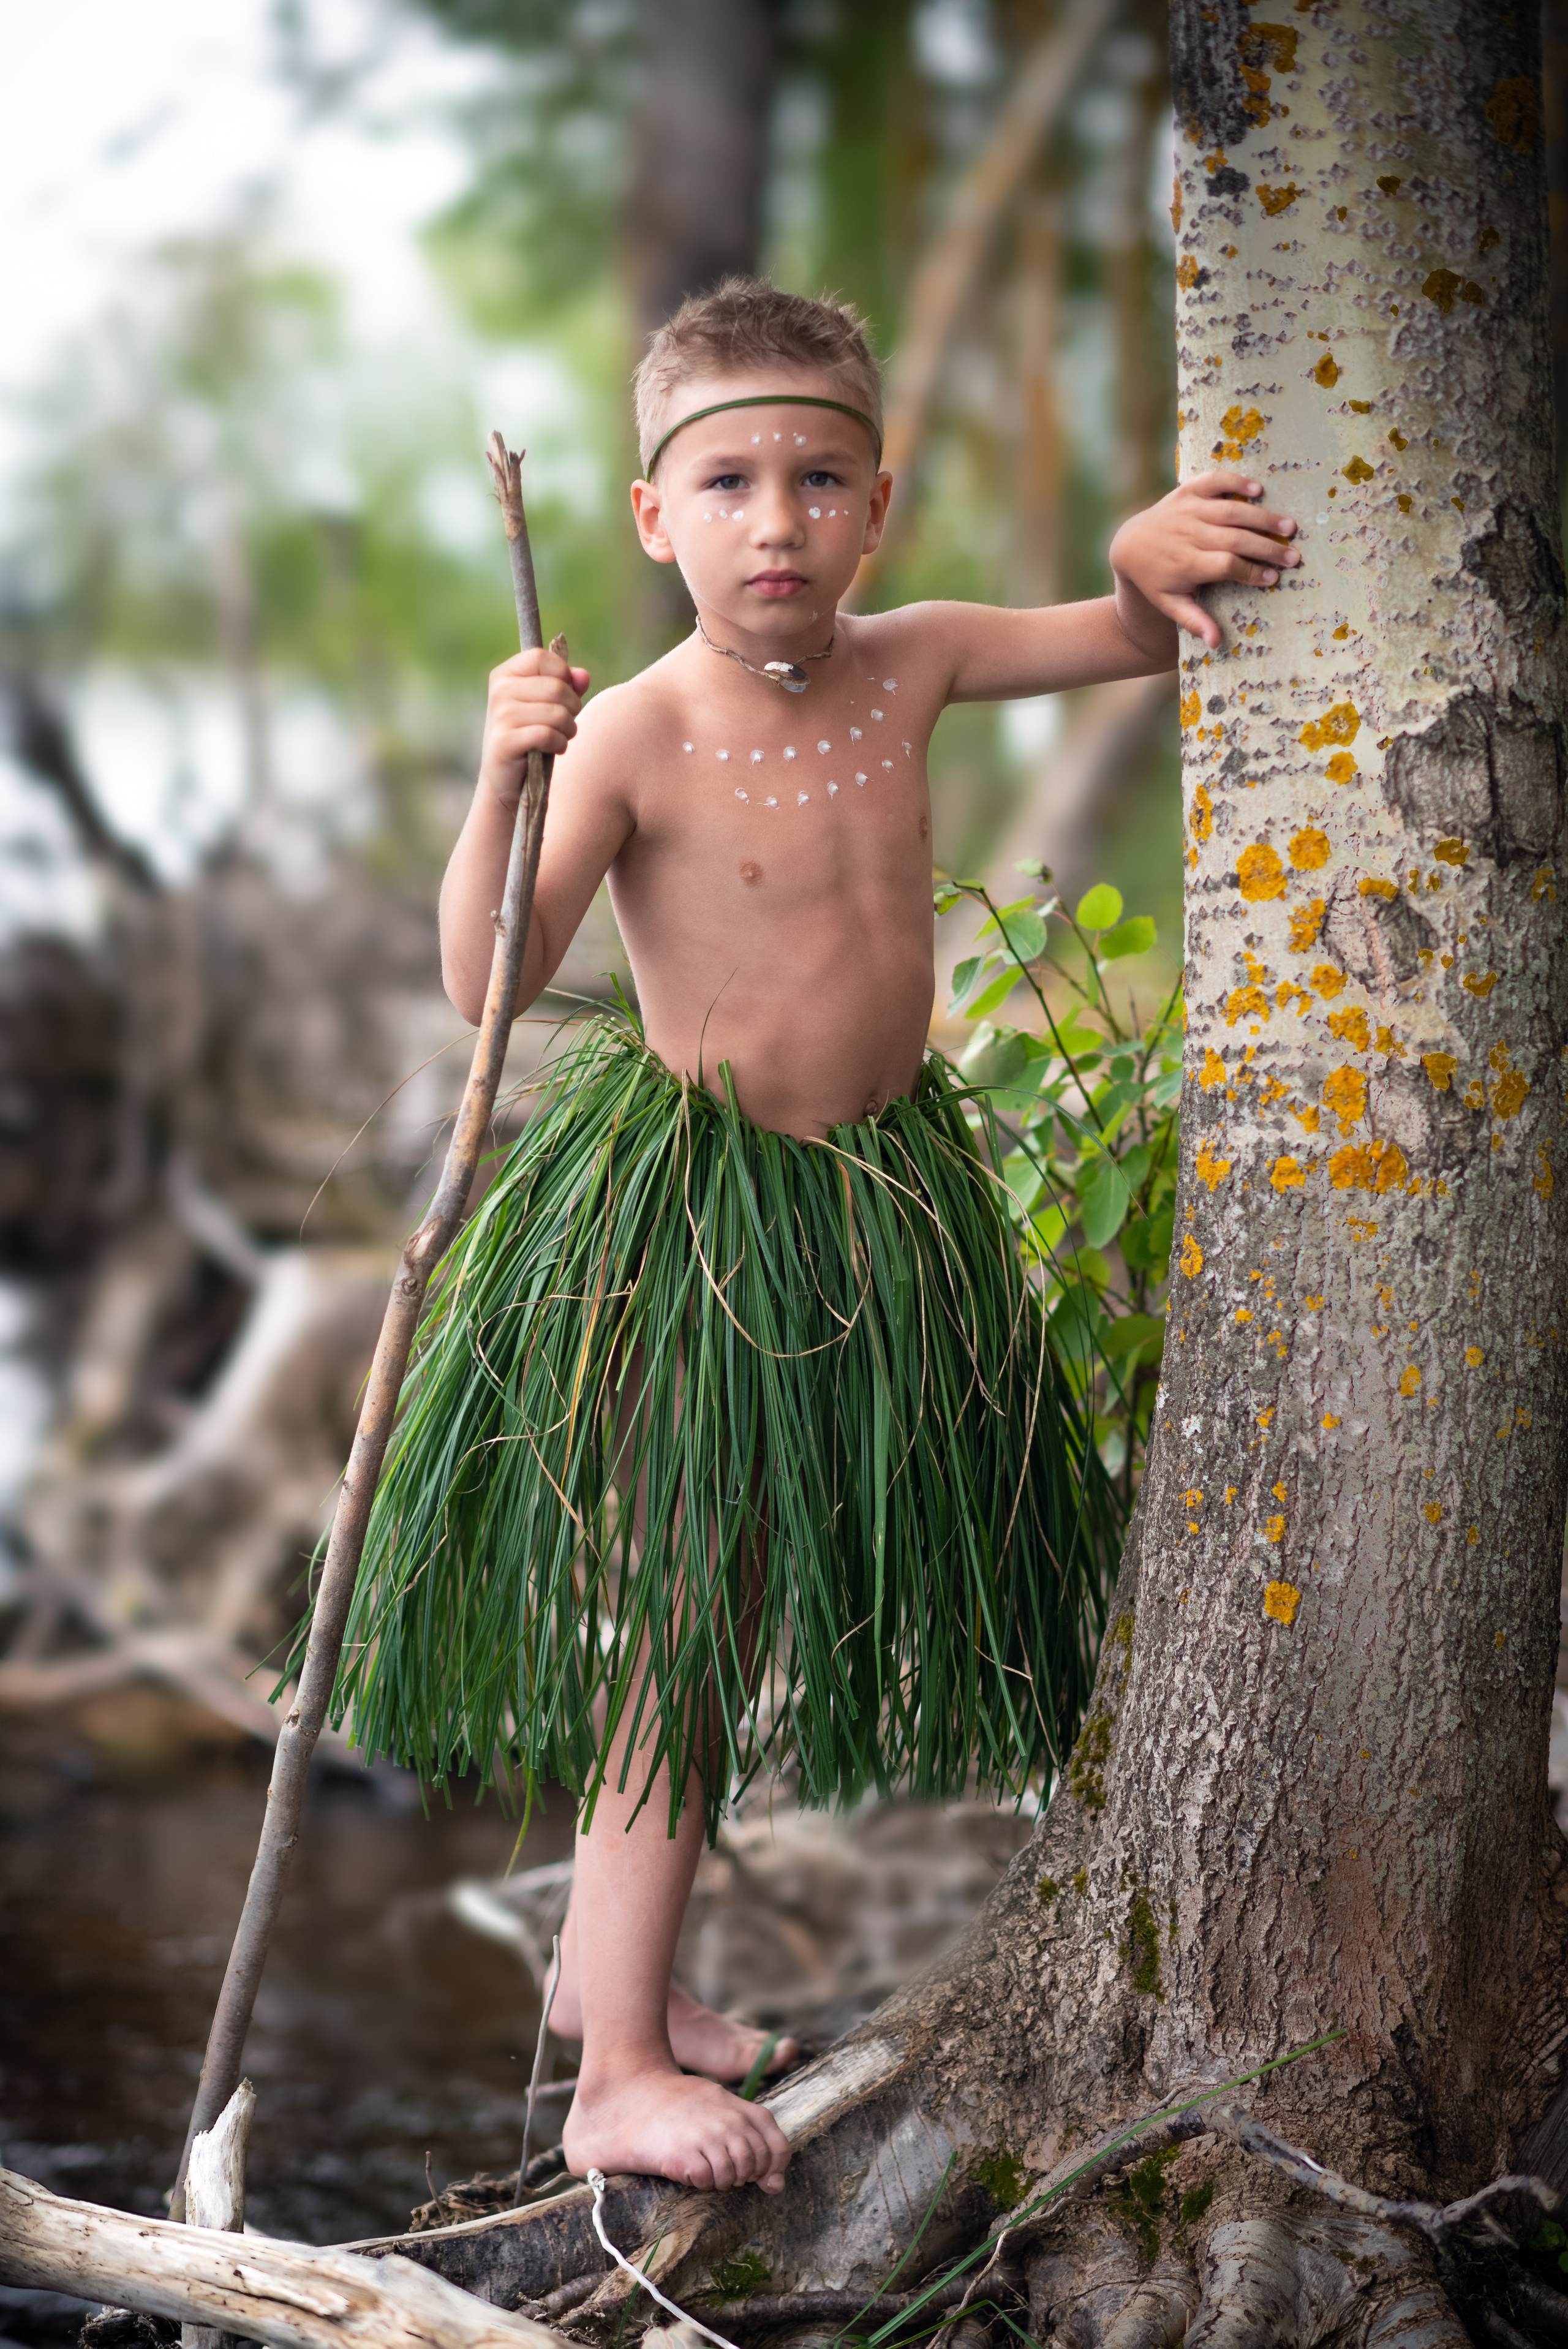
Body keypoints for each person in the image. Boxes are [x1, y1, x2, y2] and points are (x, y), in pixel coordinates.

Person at [326, 279, 1300, 2198]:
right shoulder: (630, 729)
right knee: (690, 1622)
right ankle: (612, 2063)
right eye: (731, 481)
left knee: (750, 1607)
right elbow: (487, 979)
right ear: (650, 517)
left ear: (878, 501)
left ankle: (637, 1984)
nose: (776, 519)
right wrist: (504, 775)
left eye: (818, 478)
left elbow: (1124, 631)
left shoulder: (916, 657)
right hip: (710, 1236)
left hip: (878, 1196)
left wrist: (1134, 547)